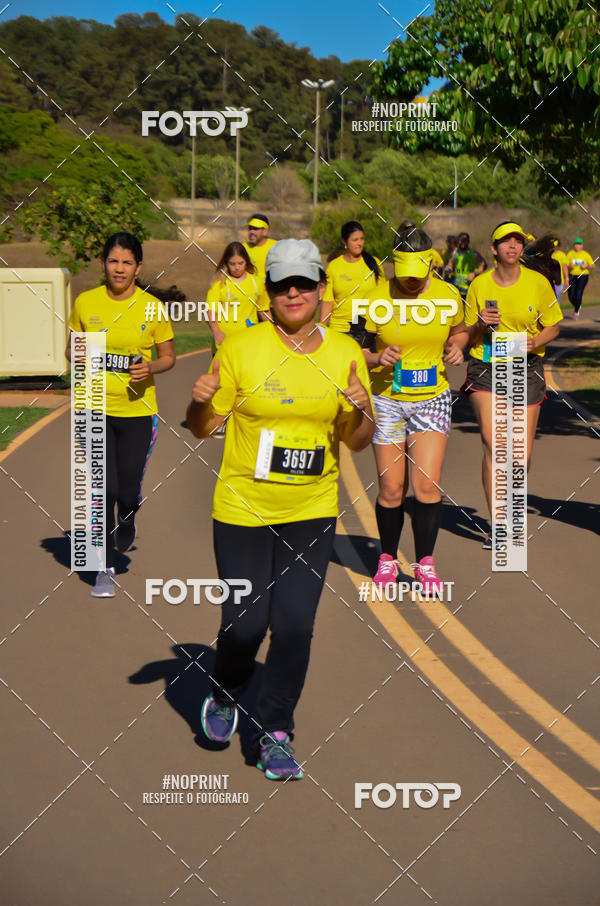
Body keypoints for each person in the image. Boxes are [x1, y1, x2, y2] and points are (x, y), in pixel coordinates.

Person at [186, 239, 374, 780]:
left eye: (303, 283)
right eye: (281, 284)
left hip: (311, 508)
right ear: (268, 292)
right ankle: (225, 691)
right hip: (243, 508)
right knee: (245, 627)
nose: (292, 292)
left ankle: (275, 730)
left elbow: (357, 442)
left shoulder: (342, 352)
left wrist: (362, 411)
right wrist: (200, 400)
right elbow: (203, 427)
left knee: (293, 627)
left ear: (319, 289)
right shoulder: (241, 349)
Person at [66, 232, 176, 596]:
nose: (119, 268)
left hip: (137, 412)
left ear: (138, 267)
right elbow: (71, 348)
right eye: (113, 261)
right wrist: (78, 354)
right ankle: (104, 568)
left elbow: (168, 357)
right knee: (103, 489)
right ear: (104, 263)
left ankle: (128, 516)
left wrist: (151, 368)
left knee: (126, 493)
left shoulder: (151, 308)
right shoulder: (86, 302)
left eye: (127, 262)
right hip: (93, 408)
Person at [360, 226, 469, 592]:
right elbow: (353, 351)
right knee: (392, 487)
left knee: (426, 484)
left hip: (431, 399)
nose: (409, 282)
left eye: (416, 277)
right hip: (387, 401)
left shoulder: (448, 294)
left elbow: (461, 330)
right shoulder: (375, 298)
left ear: (428, 266)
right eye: (403, 275)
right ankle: (388, 559)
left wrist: (458, 347)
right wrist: (376, 356)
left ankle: (425, 565)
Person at [462, 221, 562, 548]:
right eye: (506, 241)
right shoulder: (479, 285)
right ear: (494, 249)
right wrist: (479, 323)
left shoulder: (538, 283)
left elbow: (553, 327)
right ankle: (499, 525)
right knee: (495, 444)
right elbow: (465, 332)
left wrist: (535, 342)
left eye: (517, 241)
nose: (512, 246)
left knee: (520, 455)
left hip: (526, 367)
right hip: (487, 366)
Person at [320, 220, 383, 339]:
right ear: (344, 241)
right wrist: (321, 327)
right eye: (355, 240)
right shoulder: (334, 266)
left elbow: (382, 297)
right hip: (339, 329)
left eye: (362, 239)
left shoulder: (375, 264)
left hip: (367, 330)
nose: (359, 243)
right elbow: (328, 300)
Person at [206, 241, 270, 349]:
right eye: (232, 264)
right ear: (226, 263)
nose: (237, 267)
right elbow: (211, 311)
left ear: (246, 262)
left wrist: (273, 330)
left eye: (240, 263)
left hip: (249, 341)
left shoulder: (257, 283)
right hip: (224, 342)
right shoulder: (219, 284)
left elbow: (264, 310)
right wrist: (216, 331)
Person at [449, 232, 486, 297]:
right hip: (457, 289)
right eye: (461, 240)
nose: (462, 242)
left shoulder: (474, 254)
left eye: (465, 240)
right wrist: (449, 267)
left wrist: (474, 273)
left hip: (470, 289)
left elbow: (483, 265)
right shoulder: (455, 253)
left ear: (468, 241)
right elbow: (451, 263)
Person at [242, 213, 277, 282]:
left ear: (265, 231)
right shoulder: (243, 248)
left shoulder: (276, 246)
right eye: (250, 228)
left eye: (255, 228)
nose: (251, 231)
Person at [567, 237, 595, 319]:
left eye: (579, 244)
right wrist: (570, 266)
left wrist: (586, 265)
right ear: (574, 245)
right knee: (571, 295)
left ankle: (576, 312)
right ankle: (578, 305)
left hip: (583, 275)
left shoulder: (585, 254)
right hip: (572, 276)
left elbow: (592, 265)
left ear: (582, 245)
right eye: (576, 244)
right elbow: (565, 265)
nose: (577, 246)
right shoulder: (570, 253)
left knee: (578, 293)